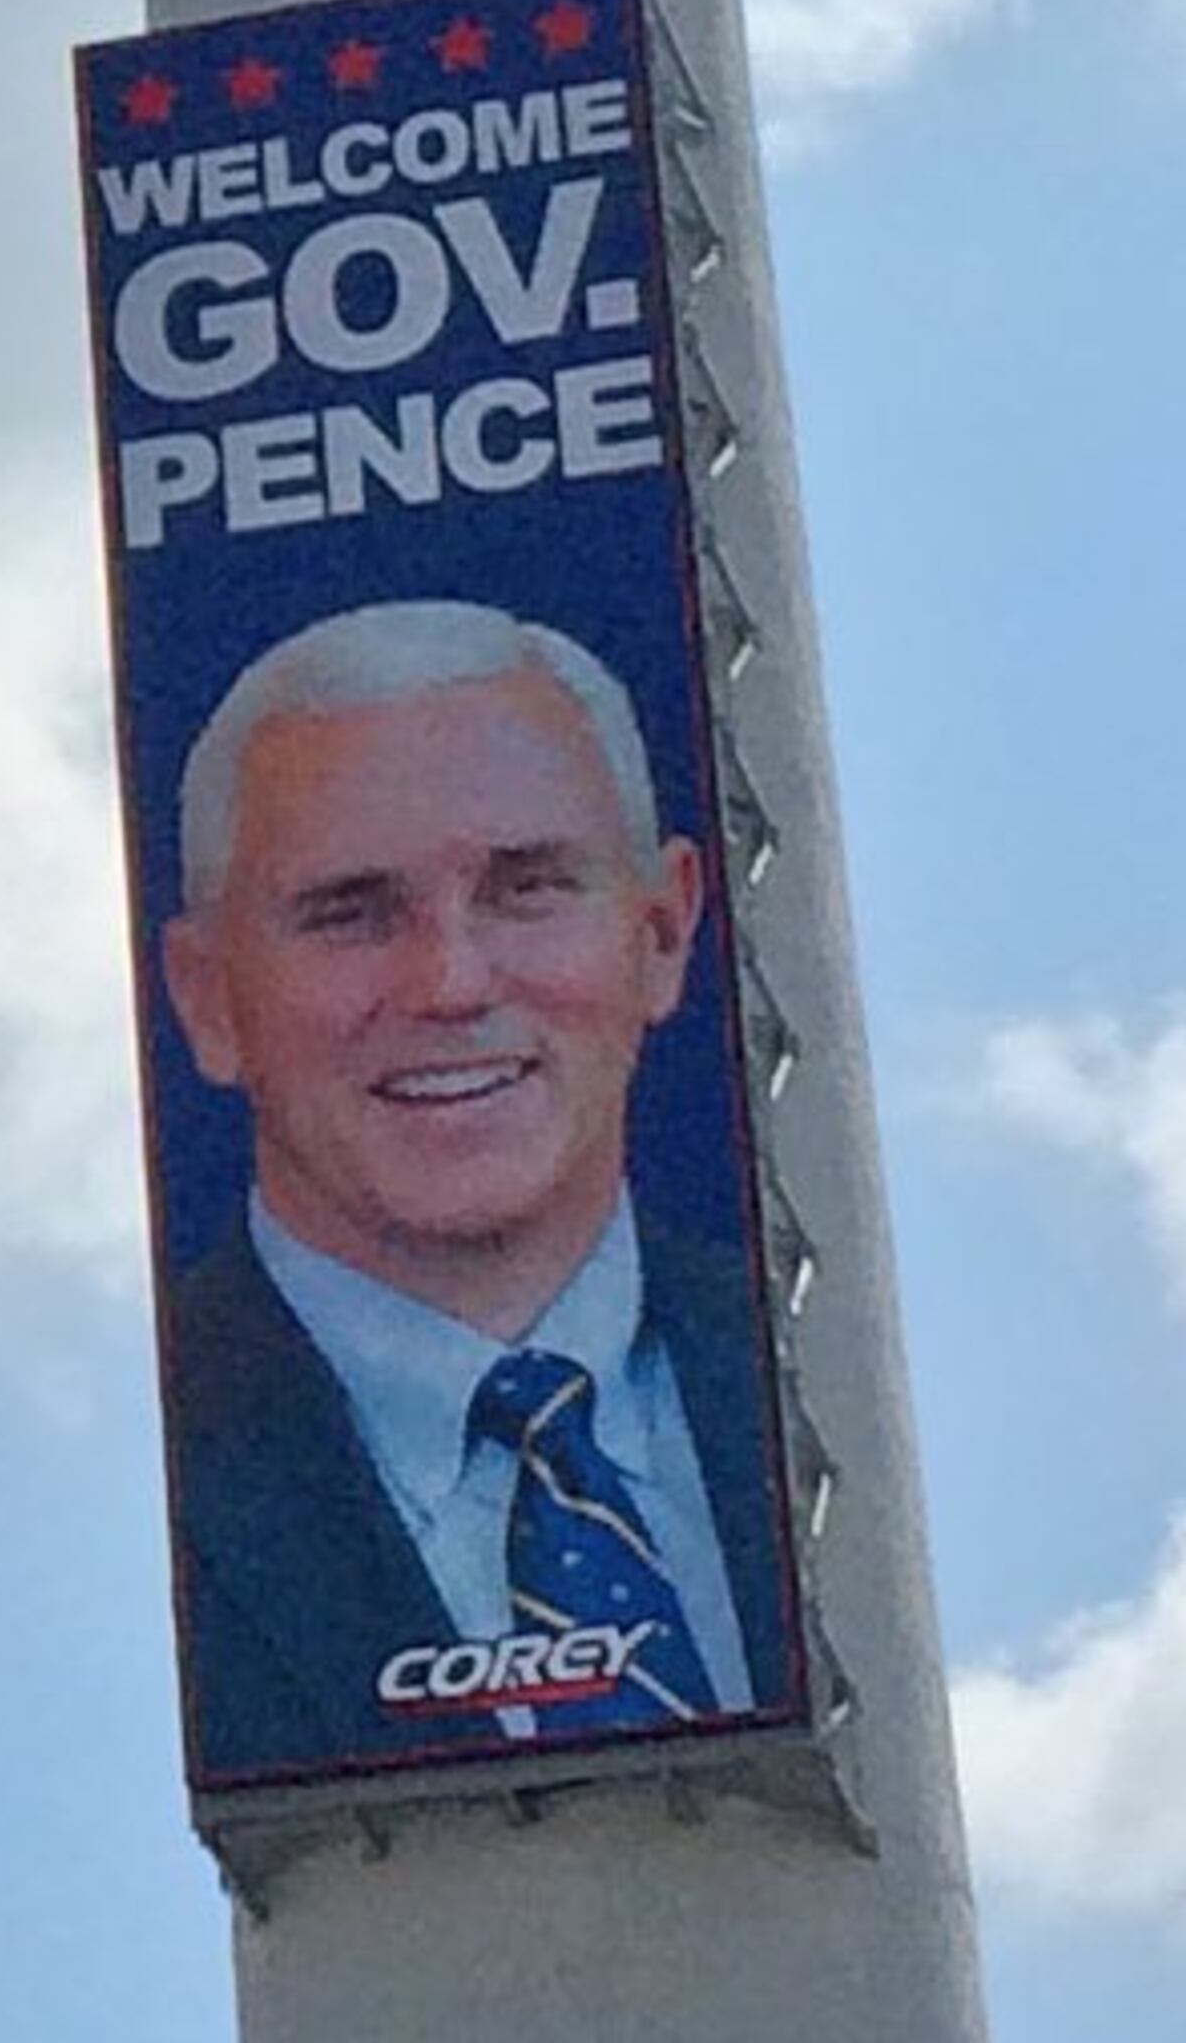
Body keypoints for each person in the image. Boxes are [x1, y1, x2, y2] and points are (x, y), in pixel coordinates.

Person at [152, 598, 792, 1785]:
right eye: (350, 912)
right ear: (207, 998)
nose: (450, 981)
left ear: (663, 929)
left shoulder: (815, 1382)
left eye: (528, 888)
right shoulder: (143, 1473)